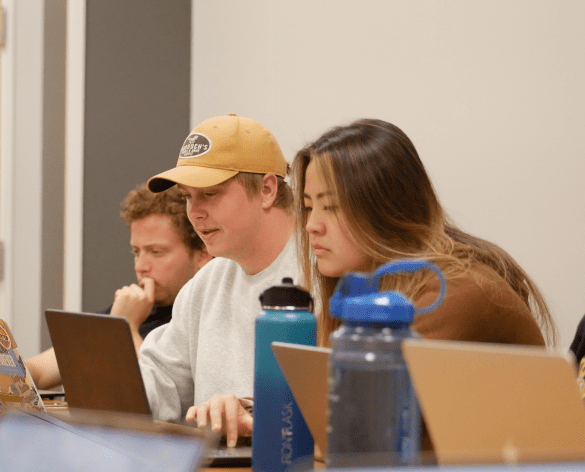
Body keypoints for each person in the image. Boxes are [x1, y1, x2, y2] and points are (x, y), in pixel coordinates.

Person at [294, 118, 557, 348]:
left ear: (387, 210)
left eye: (330, 206)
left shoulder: (451, 292)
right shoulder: (362, 287)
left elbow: (372, 398)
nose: (311, 225)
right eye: (308, 207)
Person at [139, 114, 298, 447]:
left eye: (209, 194)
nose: (194, 212)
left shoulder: (322, 275)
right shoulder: (207, 281)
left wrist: (248, 412)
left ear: (267, 190)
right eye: (187, 197)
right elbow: (161, 380)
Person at [27, 184, 211, 389]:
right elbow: (40, 372)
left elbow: (163, 394)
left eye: (156, 252)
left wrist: (128, 328)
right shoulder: (134, 308)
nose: (141, 266)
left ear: (203, 253)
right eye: (136, 251)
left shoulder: (205, 319)